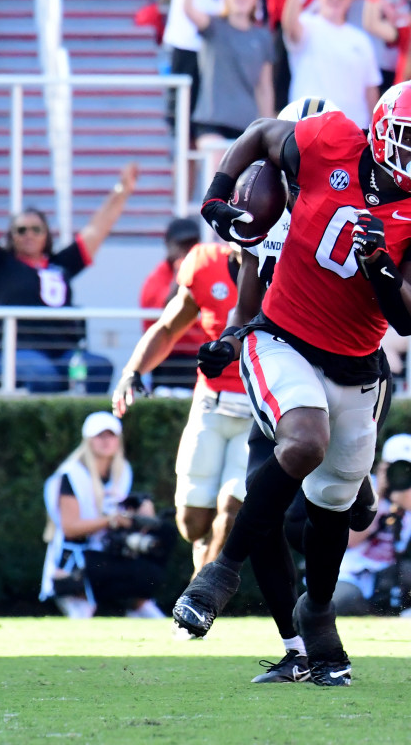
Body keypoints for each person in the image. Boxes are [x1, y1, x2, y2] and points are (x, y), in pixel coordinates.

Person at [172, 79, 411, 687]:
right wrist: (215, 197)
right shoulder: (324, 148)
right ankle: (220, 576)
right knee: (300, 447)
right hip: (282, 340)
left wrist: (386, 275)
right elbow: (259, 135)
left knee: (337, 506)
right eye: (410, 136)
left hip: (358, 365)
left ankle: (316, 614)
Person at [113, 242, 253, 583]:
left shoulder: (285, 263)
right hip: (211, 402)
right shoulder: (205, 263)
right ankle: (203, 567)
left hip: (259, 409)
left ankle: (200, 593)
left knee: (233, 510)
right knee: (192, 522)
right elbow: (168, 327)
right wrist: (133, 370)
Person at [0, 141, 133, 394]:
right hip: (18, 353)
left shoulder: (60, 265)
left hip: (66, 355)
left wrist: (123, 190)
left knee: (98, 368)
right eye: (21, 230)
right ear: (12, 236)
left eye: (36, 229)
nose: (28, 234)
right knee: (45, 378)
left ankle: (91, 428)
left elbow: (97, 229)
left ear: (46, 236)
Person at [40, 412, 176, 619]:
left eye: (111, 436)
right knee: (141, 572)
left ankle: (139, 602)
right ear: (88, 440)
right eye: (99, 436)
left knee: (164, 537)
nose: (106, 441)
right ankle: (77, 595)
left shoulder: (123, 471)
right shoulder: (71, 475)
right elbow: (70, 527)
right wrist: (110, 520)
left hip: (109, 550)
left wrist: (140, 514)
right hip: (80, 556)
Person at [335, 434, 411, 615]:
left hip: (386, 576)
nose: (402, 474)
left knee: (410, 574)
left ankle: (389, 614)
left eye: (410, 469)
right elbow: (350, 540)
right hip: (347, 573)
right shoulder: (362, 491)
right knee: (345, 600)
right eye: (395, 468)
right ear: (382, 467)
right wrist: (377, 499)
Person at [184, 0, 275, 171]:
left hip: (246, 124)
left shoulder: (262, 37)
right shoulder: (214, 26)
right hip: (212, 121)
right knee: (218, 170)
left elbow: (264, 87)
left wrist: (268, 129)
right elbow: (188, 9)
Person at [163, 0, 261, 135]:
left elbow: (253, 18)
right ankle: (183, 166)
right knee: (182, 129)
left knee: (213, 128)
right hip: (186, 46)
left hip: (223, 57)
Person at [282, 0, 382, 127]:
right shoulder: (307, 24)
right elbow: (289, 27)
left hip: (352, 131)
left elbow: (371, 89)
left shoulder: (361, 40)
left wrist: (376, 127)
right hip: (308, 126)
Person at [139, 218, 205, 392]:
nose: (187, 250)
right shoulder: (157, 278)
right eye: (182, 244)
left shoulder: (207, 270)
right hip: (167, 358)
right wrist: (180, 277)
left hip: (199, 356)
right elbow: (164, 316)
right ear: (168, 245)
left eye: (192, 244)